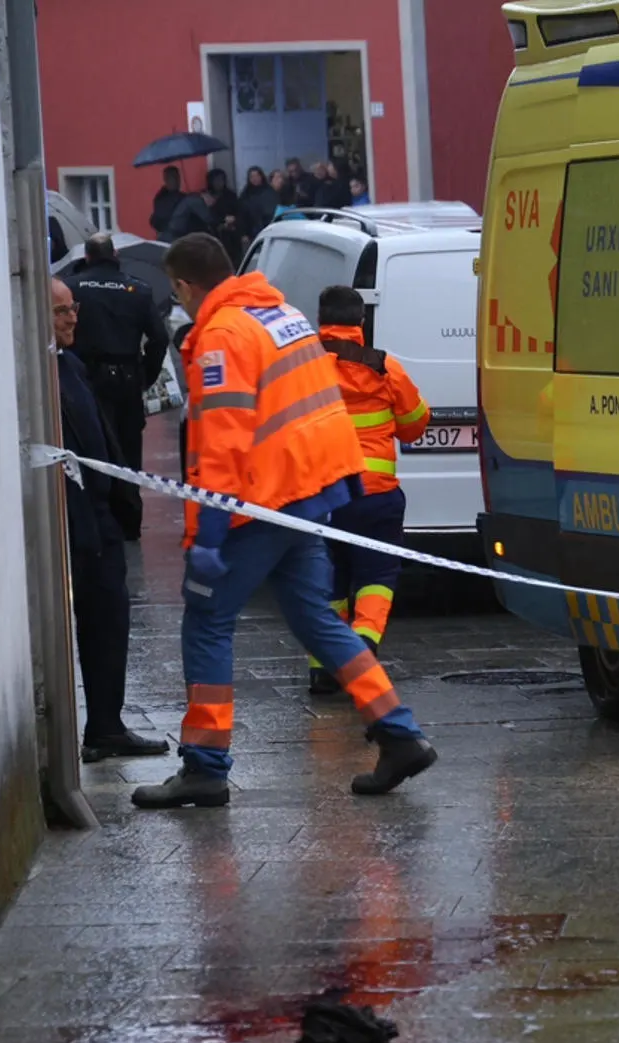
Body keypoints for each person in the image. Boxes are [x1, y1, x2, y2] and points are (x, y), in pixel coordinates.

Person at [134, 234, 437, 809]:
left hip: (260, 502)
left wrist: (209, 536)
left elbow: (221, 444)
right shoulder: (283, 315)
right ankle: (398, 733)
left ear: (184, 286)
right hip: (308, 495)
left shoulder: (224, 335)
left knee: (206, 620)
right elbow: (319, 411)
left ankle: (204, 765)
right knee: (316, 621)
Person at [50, 278, 170, 762]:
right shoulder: (40, 377)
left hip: (100, 520)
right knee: (90, 621)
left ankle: (106, 723)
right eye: (61, 311)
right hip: (75, 525)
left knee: (110, 622)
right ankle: (93, 726)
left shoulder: (71, 366)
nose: (72, 317)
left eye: (72, 308)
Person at [306, 285, 428, 696]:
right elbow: (415, 423)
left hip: (319, 496)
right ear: (361, 322)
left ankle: (324, 667)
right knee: (377, 574)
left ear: (320, 319)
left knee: (328, 579)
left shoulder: (298, 366)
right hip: (375, 495)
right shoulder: (383, 366)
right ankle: (363, 647)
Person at [65, 232, 168, 540]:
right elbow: (160, 339)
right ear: (116, 257)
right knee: (128, 453)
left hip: (86, 381)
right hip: (125, 381)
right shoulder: (138, 289)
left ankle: (97, 520)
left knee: (91, 448)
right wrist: (145, 376)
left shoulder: (72, 288)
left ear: (87, 257)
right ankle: (129, 521)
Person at [240, 165, 279, 233]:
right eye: (252, 177)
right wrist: (243, 233)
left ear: (261, 176)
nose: (255, 178)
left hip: (269, 228)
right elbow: (242, 215)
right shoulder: (246, 194)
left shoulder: (269, 191)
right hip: (251, 231)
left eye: (257, 176)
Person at [150, 166, 185, 240]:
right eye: (172, 177)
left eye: (177, 177)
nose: (176, 180)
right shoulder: (161, 199)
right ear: (165, 180)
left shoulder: (182, 196)